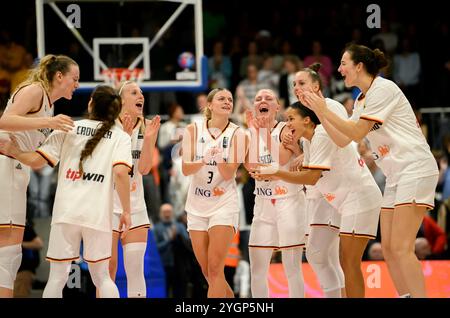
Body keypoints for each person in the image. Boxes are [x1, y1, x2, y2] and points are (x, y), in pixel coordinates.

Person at [302, 44, 439, 298]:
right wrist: (321, 113)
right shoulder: (361, 99)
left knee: (400, 247)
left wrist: (322, 109)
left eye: (344, 63)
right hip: (396, 176)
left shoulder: (383, 89)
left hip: (415, 168)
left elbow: (356, 132)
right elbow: (344, 139)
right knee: (388, 248)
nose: (340, 69)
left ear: (359, 66)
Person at [0, 85, 133, 298]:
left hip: (66, 213)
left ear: (91, 103)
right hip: (97, 214)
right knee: (102, 278)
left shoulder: (68, 127)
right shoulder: (121, 137)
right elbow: (120, 174)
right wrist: (127, 211)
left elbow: (36, 161)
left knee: (57, 278)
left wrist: (13, 151)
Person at [0, 54, 78, 298]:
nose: (77, 84)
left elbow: (33, 157)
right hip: (5, 164)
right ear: (59, 76)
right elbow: (4, 120)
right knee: (9, 251)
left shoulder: (50, 106)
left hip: (17, 169)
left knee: (12, 251)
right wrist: (49, 122)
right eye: (74, 79)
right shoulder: (35, 90)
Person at [181, 88, 248, 298]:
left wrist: (219, 159)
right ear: (209, 105)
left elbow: (229, 174)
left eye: (229, 99)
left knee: (215, 267)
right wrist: (203, 159)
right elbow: (185, 169)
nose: (227, 101)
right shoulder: (193, 129)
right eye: (221, 98)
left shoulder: (239, 134)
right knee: (208, 272)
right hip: (196, 205)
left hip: (223, 204)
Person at [245, 89, 306, 298]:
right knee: (257, 269)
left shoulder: (286, 128)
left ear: (277, 107)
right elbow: (251, 166)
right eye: (258, 98)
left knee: (292, 267)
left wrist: (262, 133)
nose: (263, 101)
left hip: (288, 201)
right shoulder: (251, 131)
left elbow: (280, 159)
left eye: (269, 98)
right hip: (262, 203)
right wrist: (254, 132)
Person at [108, 80, 161, 298]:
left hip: (136, 206)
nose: (141, 96)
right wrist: (125, 137)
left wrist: (148, 139)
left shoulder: (148, 126)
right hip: (108, 206)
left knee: (135, 270)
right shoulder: (107, 126)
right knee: (108, 270)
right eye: (133, 92)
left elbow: (146, 168)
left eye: (141, 92)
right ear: (121, 100)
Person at [153, 203, 191, 298]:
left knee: (179, 292)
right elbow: (156, 248)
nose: (167, 214)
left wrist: (178, 238)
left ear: (172, 213)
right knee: (163, 292)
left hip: (179, 266)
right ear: (160, 214)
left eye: (169, 212)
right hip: (163, 266)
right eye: (165, 212)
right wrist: (169, 240)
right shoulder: (157, 229)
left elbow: (188, 244)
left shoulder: (180, 227)